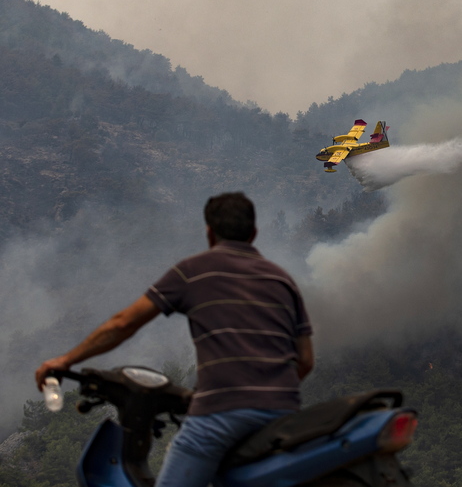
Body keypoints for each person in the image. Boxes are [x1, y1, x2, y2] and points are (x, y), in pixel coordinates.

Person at [35, 192, 314, 487]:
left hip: (220, 414)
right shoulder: (283, 280)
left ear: (209, 232)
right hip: (283, 414)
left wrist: (65, 360)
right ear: (253, 233)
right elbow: (306, 361)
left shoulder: (193, 271)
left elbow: (123, 323)